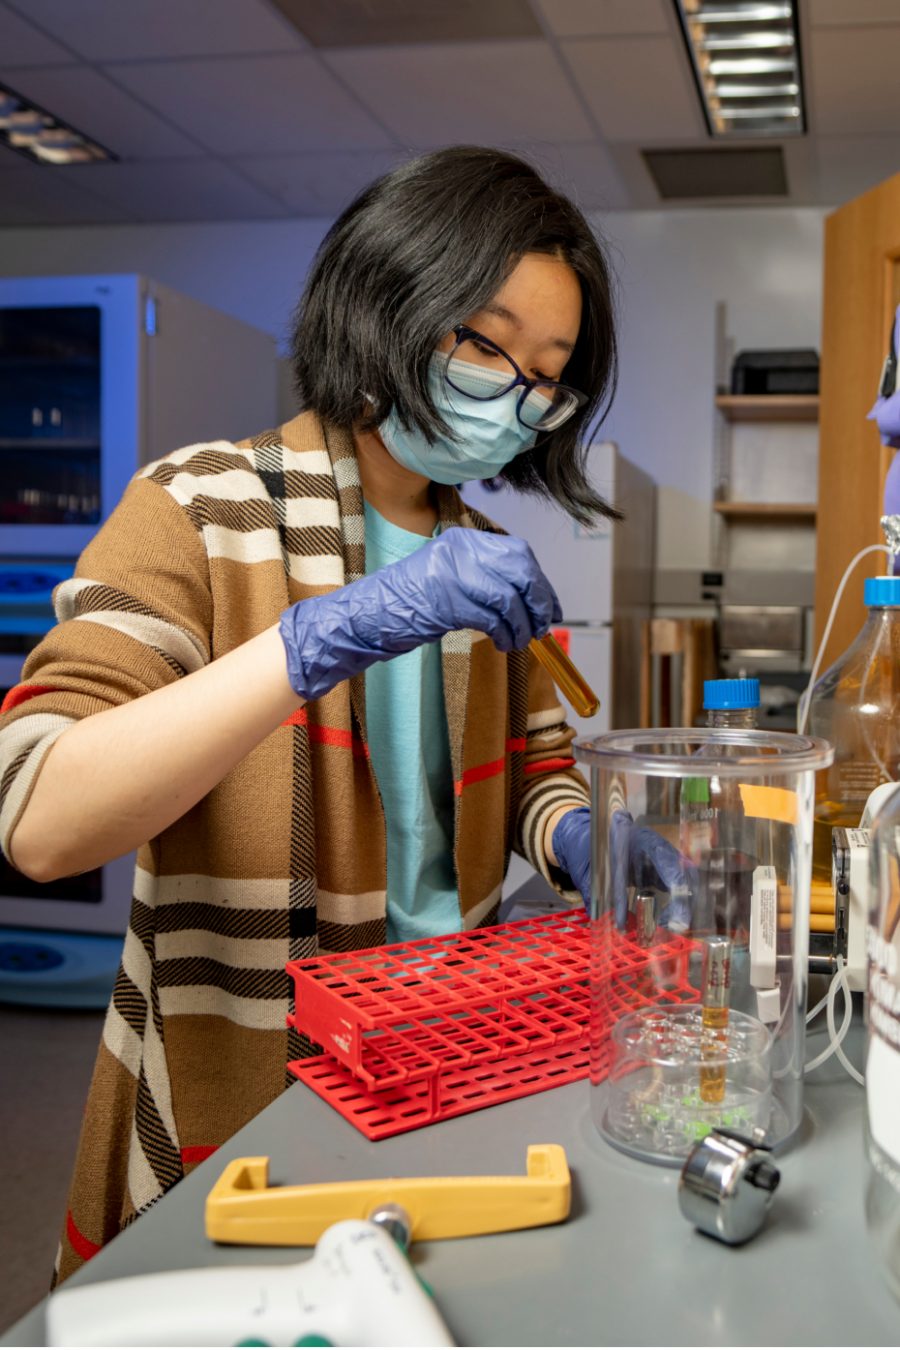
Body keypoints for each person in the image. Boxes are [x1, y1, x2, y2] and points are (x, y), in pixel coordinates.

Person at [0, 145, 618, 1284]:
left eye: (548, 375)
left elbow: (539, 771)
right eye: (485, 343)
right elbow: (39, 813)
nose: (515, 398)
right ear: (387, 302)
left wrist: (584, 838)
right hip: (249, 1072)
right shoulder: (195, 507)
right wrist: (313, 639)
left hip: (448, 1051)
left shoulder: (484, 558)